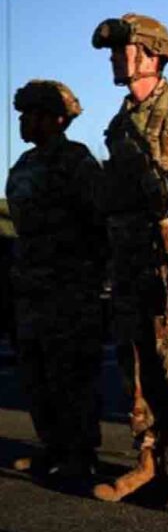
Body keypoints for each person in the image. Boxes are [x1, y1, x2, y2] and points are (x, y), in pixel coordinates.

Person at [90, 13, 168, 512]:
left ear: (154, 54)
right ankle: (148, 457)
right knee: (136, 363)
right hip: (129, 262)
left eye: (127, 49)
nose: (117, 59)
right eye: (114, 52)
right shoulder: (120, 123)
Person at [5, 80, 105, 485]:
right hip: (30, 286)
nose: (24, 123)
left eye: (32, 115)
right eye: (22, 116)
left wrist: (91, 276)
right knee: (36, 371)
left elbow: (97, 221)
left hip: (70, 286)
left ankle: (81, 453)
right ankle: (53, 446)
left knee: (72, 373)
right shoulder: (24, 166)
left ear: (56, 119)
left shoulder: (76, 161)